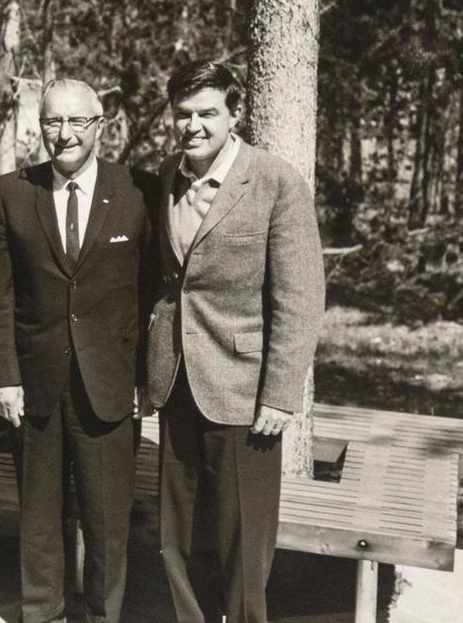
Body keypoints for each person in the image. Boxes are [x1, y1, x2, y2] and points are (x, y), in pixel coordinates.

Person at [146, 60, 325, 623]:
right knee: (177, 536)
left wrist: (278, 393)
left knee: (243, 542)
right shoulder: (165, 175)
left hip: (244, 391)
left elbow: (299, 298)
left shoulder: (274, 182)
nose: (192, 126)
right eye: (182, 114)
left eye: (206, 114)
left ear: (235, 112)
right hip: (175, 381)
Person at [0, 79, 158, 623]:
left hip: (108, 384)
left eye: (77, 122)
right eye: (53, 122)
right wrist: (5, 376)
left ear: (99, 126)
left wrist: (143, 377)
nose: (64, 134)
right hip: (35, 383)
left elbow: (152, 292)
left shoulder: (138, 191)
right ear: (40, 128)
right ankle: (44, 613)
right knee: (38, 518)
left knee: (106, 521)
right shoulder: (13, 191)